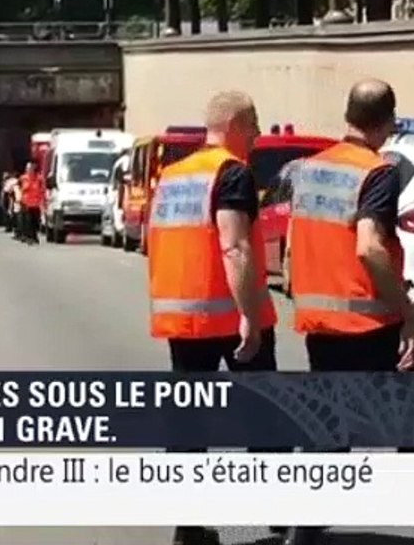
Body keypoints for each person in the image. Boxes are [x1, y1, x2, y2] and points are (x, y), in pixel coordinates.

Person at [284, 79, 414, 545]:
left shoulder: (308, 169)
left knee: (329, 433)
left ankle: (304, 534)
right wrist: (408, 312)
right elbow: (370, 248)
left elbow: (297, 244)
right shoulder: (377, 172)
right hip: (372, 321)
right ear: (389, 121)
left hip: (322, 323)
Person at [147, 91, 279, 545]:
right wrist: (248, 315)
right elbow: (233, 245)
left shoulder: (172, 175)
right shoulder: (232, 172)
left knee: (189, 424)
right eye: (256, 124)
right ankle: (285, 517)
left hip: (184, 318)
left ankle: (188, 528)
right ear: (237, 124)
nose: (259, 135)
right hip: (229, 315)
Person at [17, 162, 43, 245]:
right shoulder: (22, 178)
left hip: (36, 204)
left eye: (30, 168)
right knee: (28, 221)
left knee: (36, 221)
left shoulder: (39, 178)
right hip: (26, 203)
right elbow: (18, 189)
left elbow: (42, 190)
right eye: (27, 168)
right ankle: (30, 237)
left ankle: (34, 236)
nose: (29, 170)